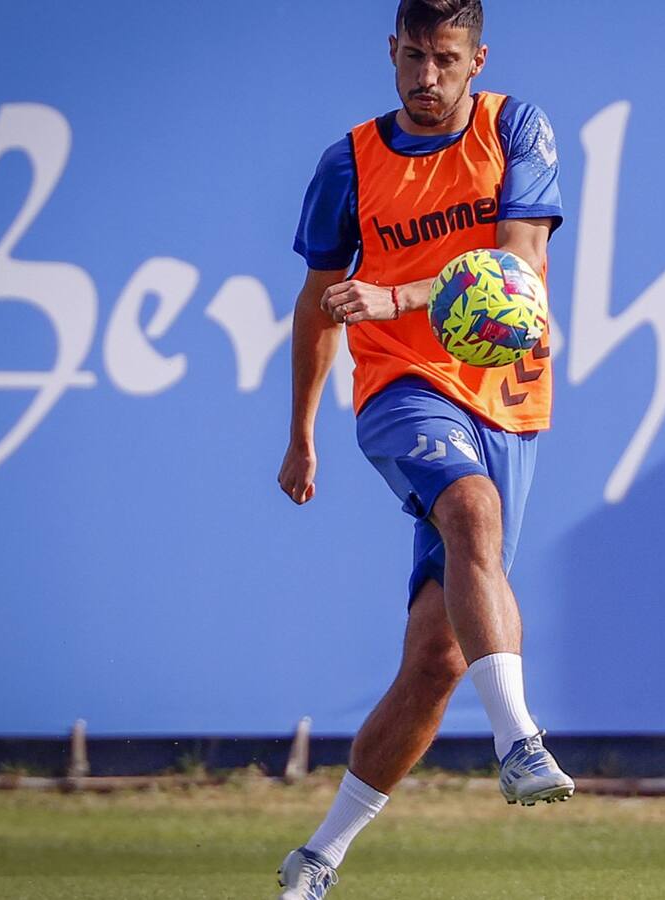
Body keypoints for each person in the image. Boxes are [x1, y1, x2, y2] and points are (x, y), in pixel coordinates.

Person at [275, 1, 571, 896]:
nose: (427, 78)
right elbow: (319, 305)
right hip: (402, 391)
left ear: (477, 56)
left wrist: (397, 295)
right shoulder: (348, 164)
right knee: (469, 508)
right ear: (391, 52)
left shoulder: (516, 127)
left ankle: (317, 856)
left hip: (506, 399)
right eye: (412, 57)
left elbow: (514, 268)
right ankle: (520, 741)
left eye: (446, 59)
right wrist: (301, 432)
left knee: (439, 661)